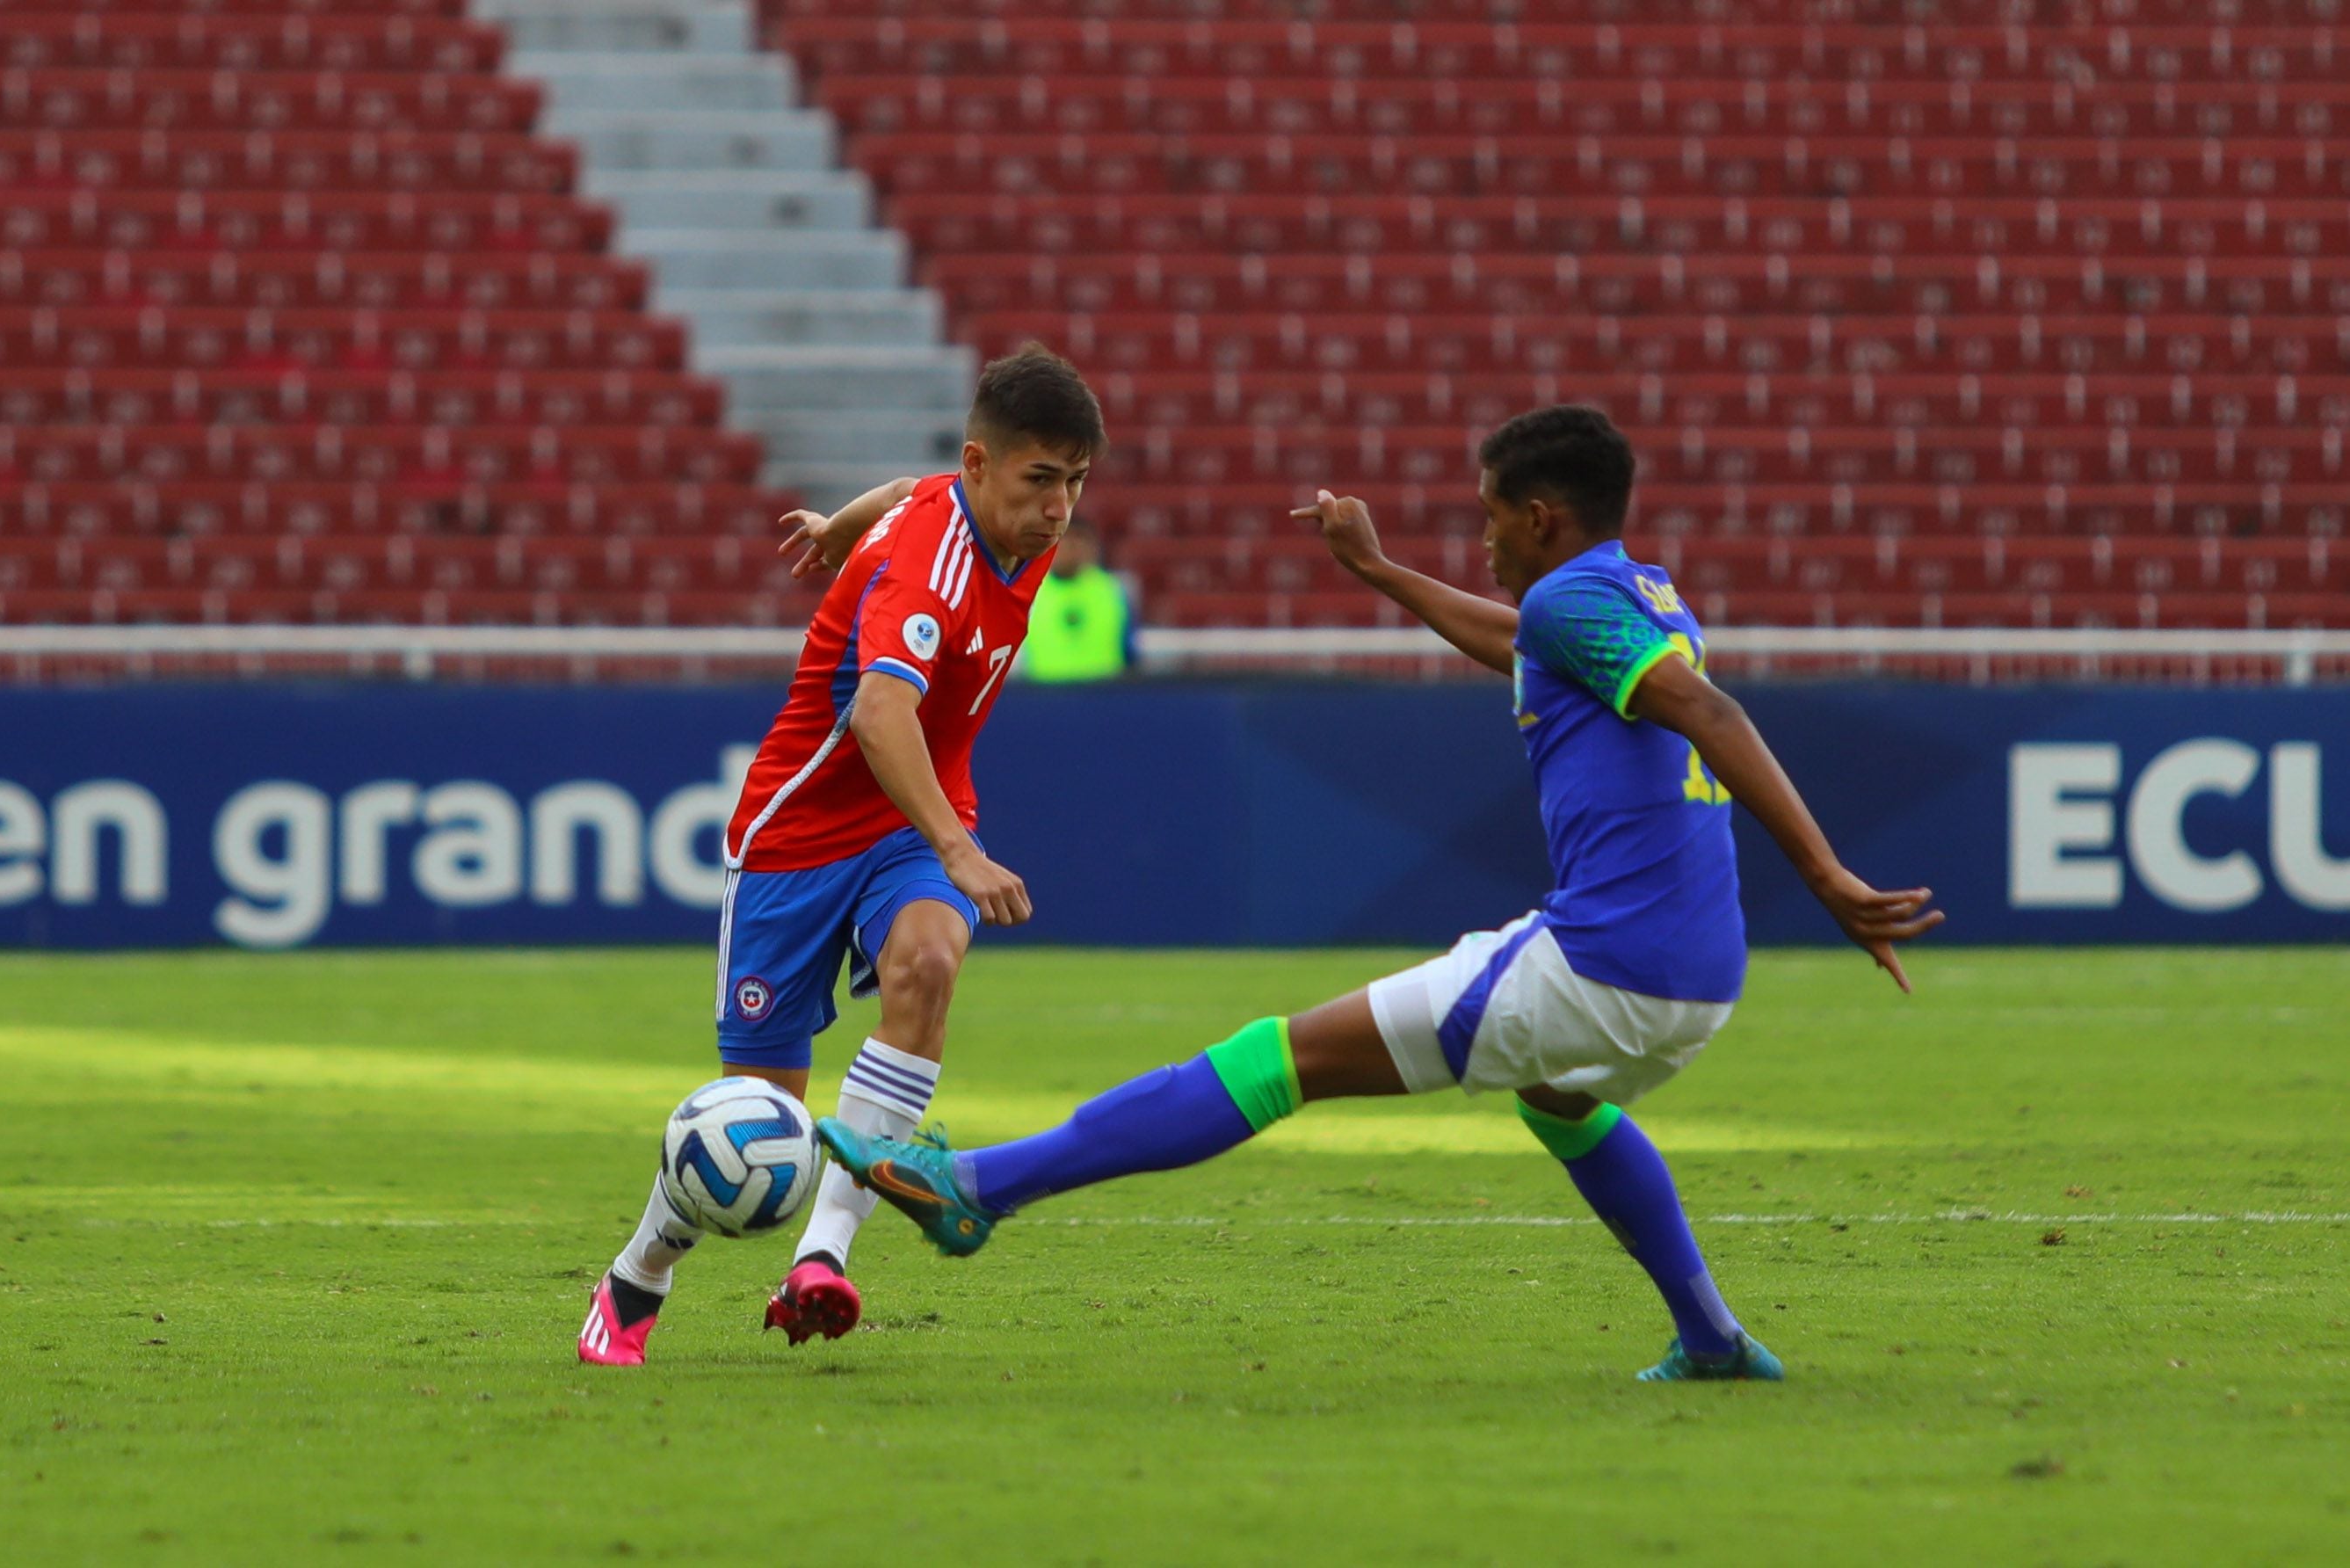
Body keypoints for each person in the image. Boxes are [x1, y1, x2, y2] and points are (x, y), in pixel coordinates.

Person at [816, 404, 1944, 1382]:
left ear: (1542, 515)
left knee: (1276, 1057)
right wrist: (1379, 569)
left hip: (1603, 962)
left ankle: (978, 1186)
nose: (1485, 532)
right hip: (1696, 979)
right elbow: (1518, 638)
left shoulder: (1574, 606)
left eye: (1493, 512)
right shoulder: (1638, 594)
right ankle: (1710, 1336)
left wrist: (1826, 874)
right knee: (1557, 1099)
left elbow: (1712, 714)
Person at [578, 345, 1106, 1366]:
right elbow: (877, 710)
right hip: (796, 833)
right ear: (984, 463)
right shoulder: (934, 570)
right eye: (1042, 480)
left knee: (930, 960)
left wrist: (839, 528)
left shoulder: (1006, 522)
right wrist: (962, 851)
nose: (1059, 508)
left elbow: (914, 488)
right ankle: (640, 1270)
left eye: (1075, 482)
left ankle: (821, 1257)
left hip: (912, 818)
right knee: (760, 1116)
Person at [1019, 519, 1137, 681]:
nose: (1071, 548)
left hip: (1105, 697)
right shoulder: (1028, 592)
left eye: (1079, 540)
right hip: (1045, 698)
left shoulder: (1113, 591)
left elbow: (1130, 654)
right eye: (1065, 540)